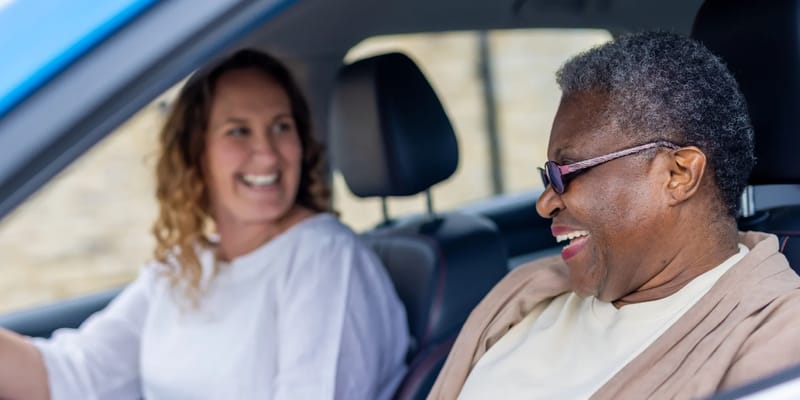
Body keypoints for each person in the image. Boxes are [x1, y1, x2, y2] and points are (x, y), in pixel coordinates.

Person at [0, 48, 409, 400]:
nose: (266, 155)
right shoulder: (183, 267)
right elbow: (73, 375)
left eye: (281, 127)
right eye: (239, 132)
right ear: (197, 154)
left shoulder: (322, 258)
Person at [427, 31, 800, 400]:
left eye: (566, 174)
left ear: (678, 175)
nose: (545, 203)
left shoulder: (777, 339)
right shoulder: (526, 292)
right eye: (547, 176)